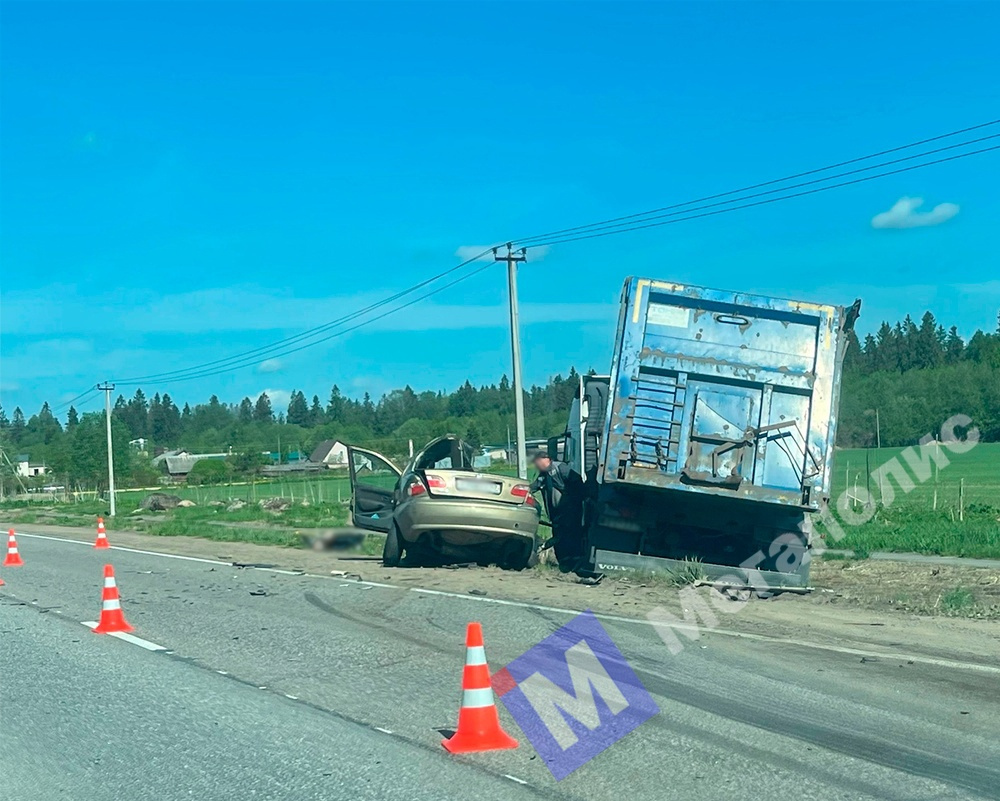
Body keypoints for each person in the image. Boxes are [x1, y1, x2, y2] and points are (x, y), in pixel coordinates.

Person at [529, 450, 586, 571]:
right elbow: (534, 487)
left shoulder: (561, 468)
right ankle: (564, 563)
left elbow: (577, 483)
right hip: (557, 514)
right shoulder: (544, 475)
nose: (537, 465)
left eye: (538, 462)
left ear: (546, 459)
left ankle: (574, 563)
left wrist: (572, 502)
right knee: (560, 539)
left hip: (570, 511)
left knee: (571, 537)